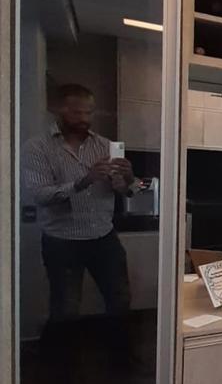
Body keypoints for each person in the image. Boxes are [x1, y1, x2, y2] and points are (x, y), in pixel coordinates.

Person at [22, 83, 136, 328]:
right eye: (76, 112)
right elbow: (40, 196)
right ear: (58, 110)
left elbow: (125, 190)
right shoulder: (37, 147)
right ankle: (62, 352)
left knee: (120, 300)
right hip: (62, 241)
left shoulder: (105, 145)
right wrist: (84, 181)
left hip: (104, 237)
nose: (84, 119)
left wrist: (127, 178)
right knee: (65, 309)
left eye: (89, 112)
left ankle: (120, 349)